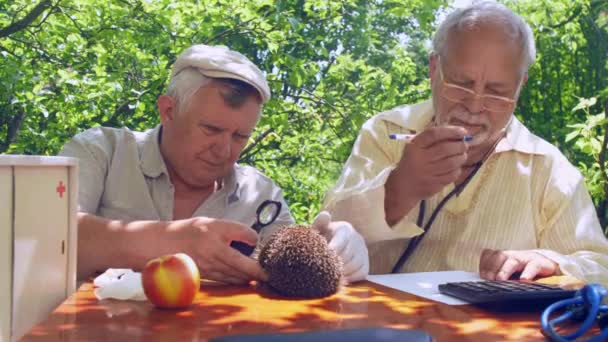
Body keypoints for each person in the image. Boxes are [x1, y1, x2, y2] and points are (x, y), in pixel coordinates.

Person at [323, 1, 608, 284]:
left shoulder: (548, 169)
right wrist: (400, 188)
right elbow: (326, 234)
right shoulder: (386, 132)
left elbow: (600, 267)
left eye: (497, 92)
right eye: (461, 84)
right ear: (434, 68)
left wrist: (552, 263)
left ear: (520, 86)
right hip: (382, 324)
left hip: (492, 329)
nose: (474, 106)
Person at [60, 44, 368, 284]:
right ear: (168, 111)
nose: (223, 150)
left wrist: (329, 247)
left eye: (240, 136)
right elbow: (49, 236)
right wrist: (170, 242)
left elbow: (284, 261)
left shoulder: (260, 194)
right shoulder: (101, 152)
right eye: (210, 129)